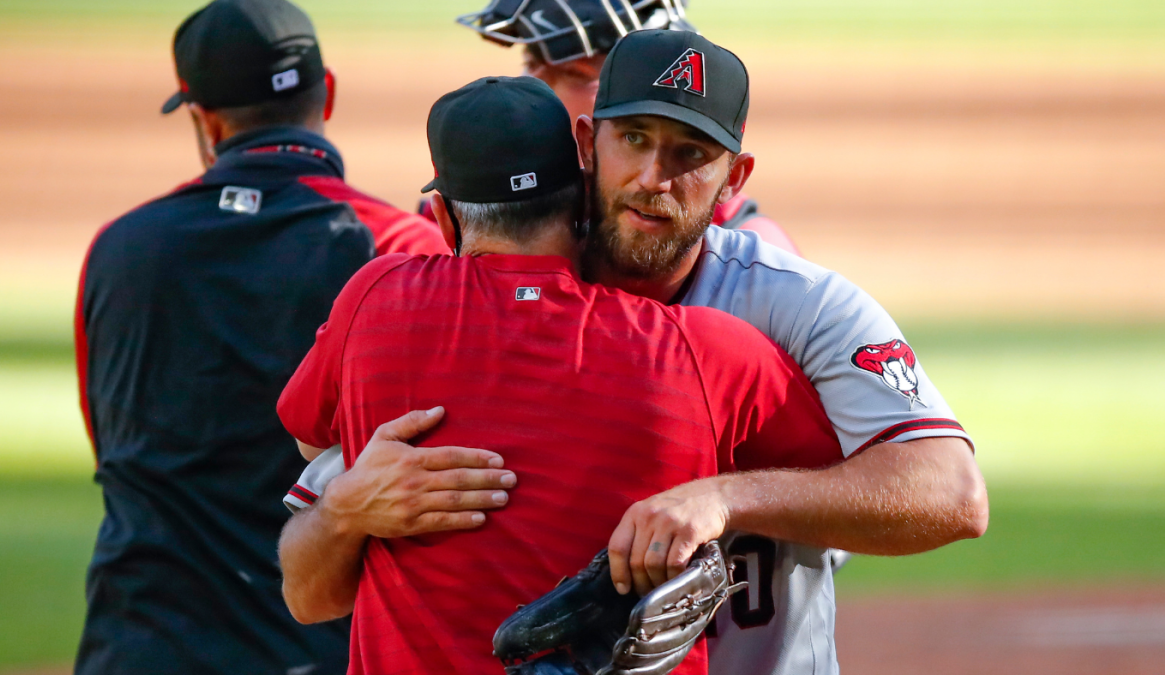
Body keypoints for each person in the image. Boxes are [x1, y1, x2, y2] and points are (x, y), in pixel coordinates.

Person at [282, 30, 988, 675]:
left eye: (690, 154)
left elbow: (953, 495)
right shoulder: (478, 306)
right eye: (636, 139)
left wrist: (724, 495)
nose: (655, 176)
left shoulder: (796, 307)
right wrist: (343, 509)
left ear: (732, 179)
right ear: (588, 143)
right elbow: (310, 587)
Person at [72, 1, 442, 673]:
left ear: (204, 120)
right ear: (325, 93)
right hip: (319, 645)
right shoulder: (401, 251)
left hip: (138, 643)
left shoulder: (119, 247)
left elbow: (113, 445)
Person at [436, 0, 800, 253]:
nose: (534, 89)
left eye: (574, 75)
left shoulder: (747, 245)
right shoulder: (479, 201)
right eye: (531, 63)